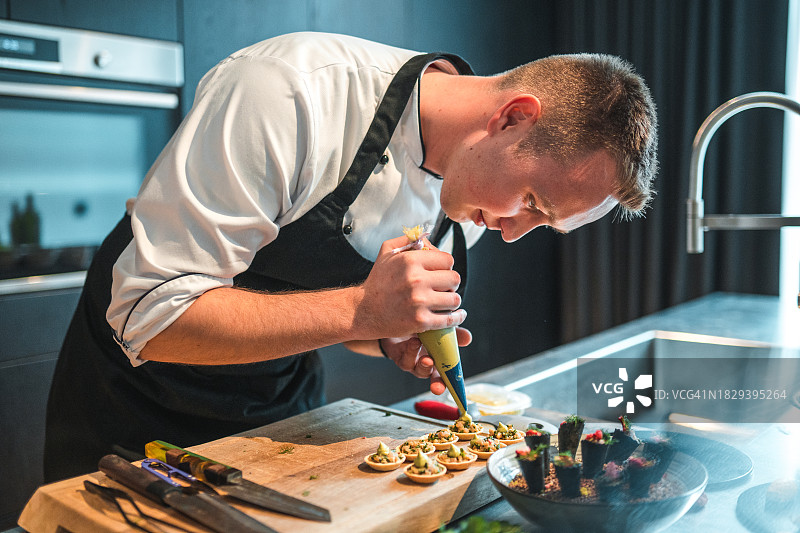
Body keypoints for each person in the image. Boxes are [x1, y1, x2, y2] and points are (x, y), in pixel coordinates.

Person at [43, 31, 657, 481]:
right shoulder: (288, 93)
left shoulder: (468, 191)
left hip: (280, 411)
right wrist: (364, 309)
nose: (515, 233)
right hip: (136, 412)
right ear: (512, 118)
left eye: (544, 223)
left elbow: (329, 313)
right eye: (533, 202)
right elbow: (149, 320)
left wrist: (387, 335)